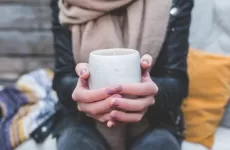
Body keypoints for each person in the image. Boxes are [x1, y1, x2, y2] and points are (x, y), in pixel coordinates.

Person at [51, 0, 193, 150]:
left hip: (154, 122)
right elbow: (62, 79)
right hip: (81, 121)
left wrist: (149, 94)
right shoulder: (67, 3)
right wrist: (86, 88)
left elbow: (178, 83)